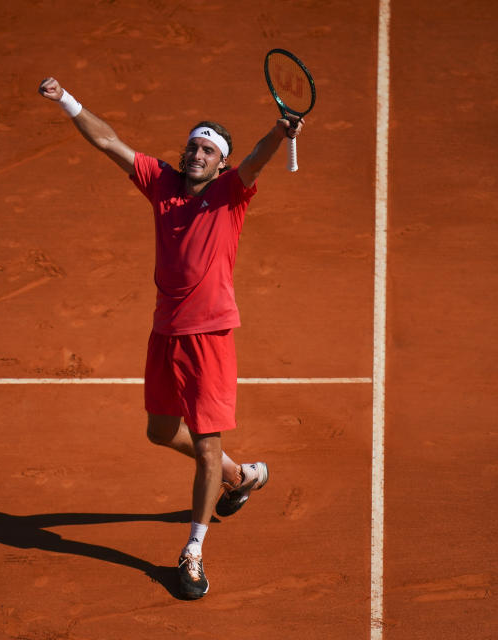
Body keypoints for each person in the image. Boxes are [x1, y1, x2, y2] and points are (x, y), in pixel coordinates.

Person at [37, 76, 303, 599]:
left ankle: (193, 552)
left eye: (208, 150)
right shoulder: (161, 183)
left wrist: (278, 131)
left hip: (209, 337)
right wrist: (68, 100)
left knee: (205, 443)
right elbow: (109, 142)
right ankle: (239, 476)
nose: (197, 154)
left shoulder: (231, 193)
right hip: (165, 333)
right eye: (194, 146)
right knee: (160, 432)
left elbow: (256, 158)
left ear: (220, 163)